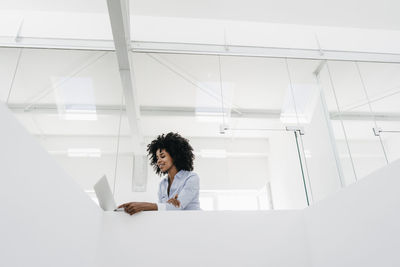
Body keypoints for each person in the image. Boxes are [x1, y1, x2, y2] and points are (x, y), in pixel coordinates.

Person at [118, 132, 200, 215]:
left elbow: (177, 207)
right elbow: (163, 210)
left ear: (175, 156)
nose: (158, 161)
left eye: (162, 156)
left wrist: (143, 206)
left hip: (194, 224)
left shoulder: (191, 178)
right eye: (157, 158)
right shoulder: (163, 184)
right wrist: (139, 207)